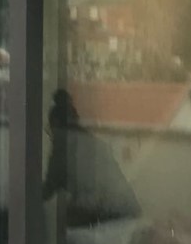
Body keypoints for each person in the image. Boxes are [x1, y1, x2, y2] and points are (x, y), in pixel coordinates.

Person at [44, 89, 140, 225]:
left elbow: (50, 188)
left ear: (57, 125)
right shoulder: (90, 143)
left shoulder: (65, 147)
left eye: (51, 129)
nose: (51, 135)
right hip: (126, 212)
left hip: (114, 216)